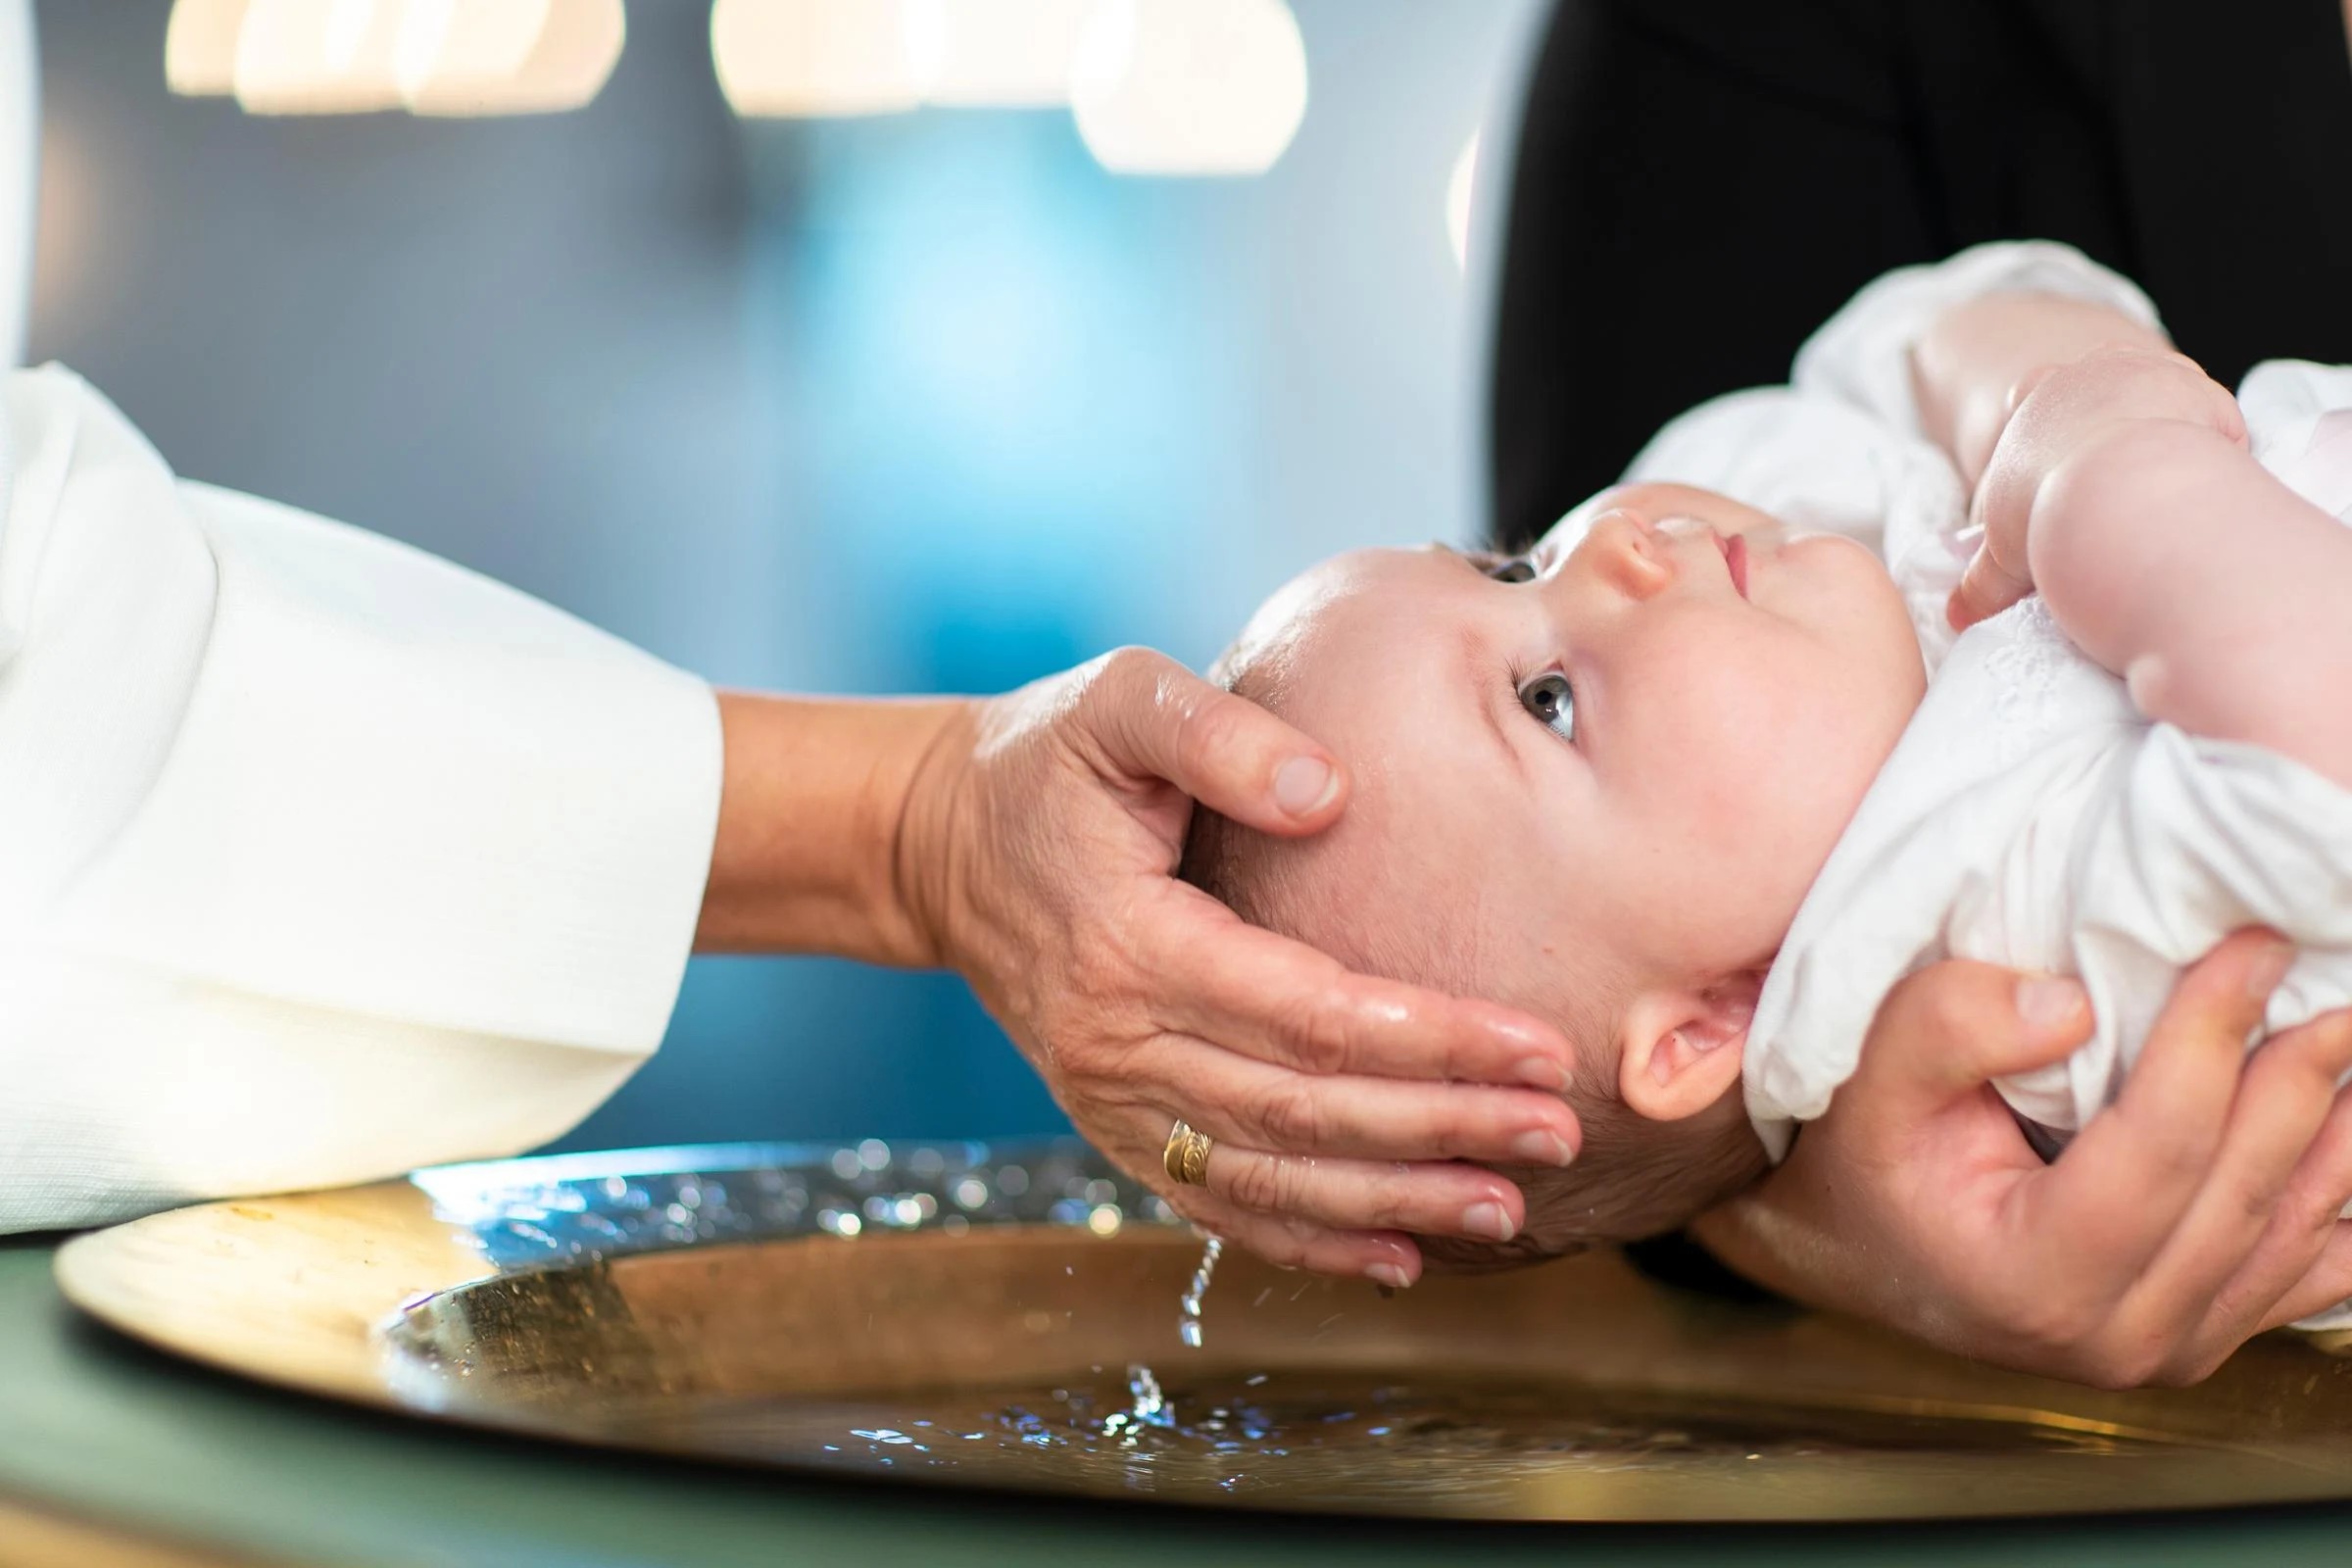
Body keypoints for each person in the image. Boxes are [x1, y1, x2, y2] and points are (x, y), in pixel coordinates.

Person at [1179, 243, 2352, 1328]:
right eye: (1548, 700)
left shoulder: (1797, 551)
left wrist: (2038, 396)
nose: (1607, 549)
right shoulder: (2023, 943)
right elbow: (2319, 758)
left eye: (1511, 559)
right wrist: (2102, 472)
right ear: (1709, 1024)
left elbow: (1924, 325)